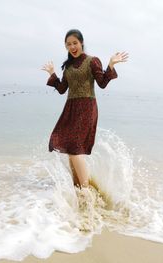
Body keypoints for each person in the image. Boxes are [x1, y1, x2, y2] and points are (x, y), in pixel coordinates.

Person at [41, 29, 128, 188]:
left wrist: (111, 64)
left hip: (87, 108)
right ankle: (77, 186)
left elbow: (102, 83)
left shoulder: (92, 61)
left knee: (75, 150)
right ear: (66, 47)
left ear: (81, 43)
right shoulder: (67, 68)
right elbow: (61, 89)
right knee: (69, 148)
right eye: (68, 44)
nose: (72, 46)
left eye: (75, 43)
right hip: (70, 109)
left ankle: (85, 190)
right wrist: (52, 73)